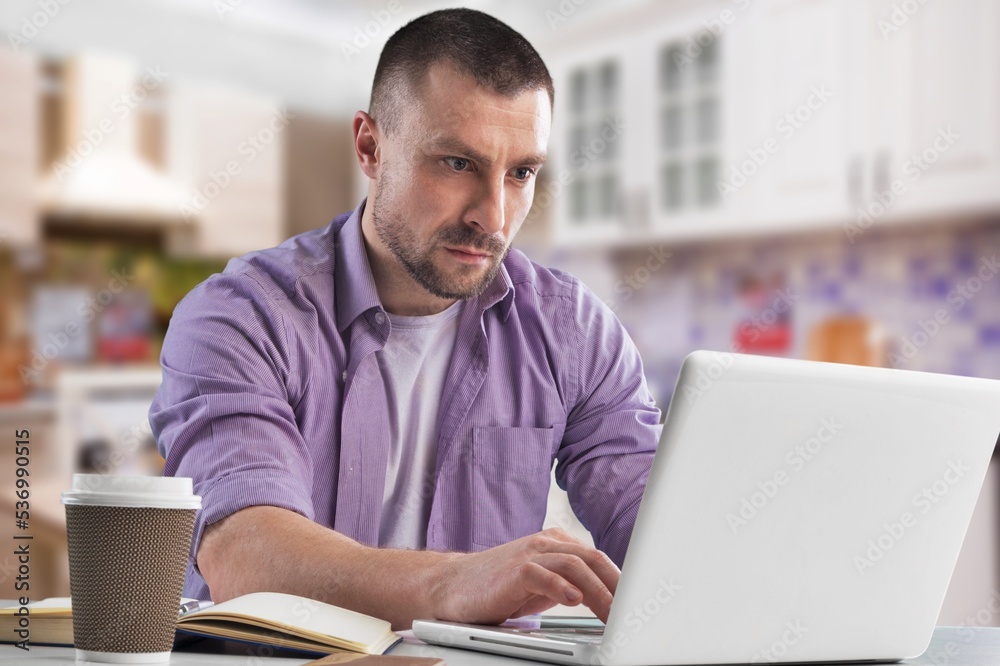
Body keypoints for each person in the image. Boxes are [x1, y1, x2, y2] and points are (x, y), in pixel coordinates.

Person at [149, 8, 660, 630]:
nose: (493, 218)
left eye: (521, 172)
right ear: (369, 146)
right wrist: (455, 581)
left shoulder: (574, 332)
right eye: (457, 163)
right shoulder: (241, 316)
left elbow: (660, 531)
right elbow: (245, 555)